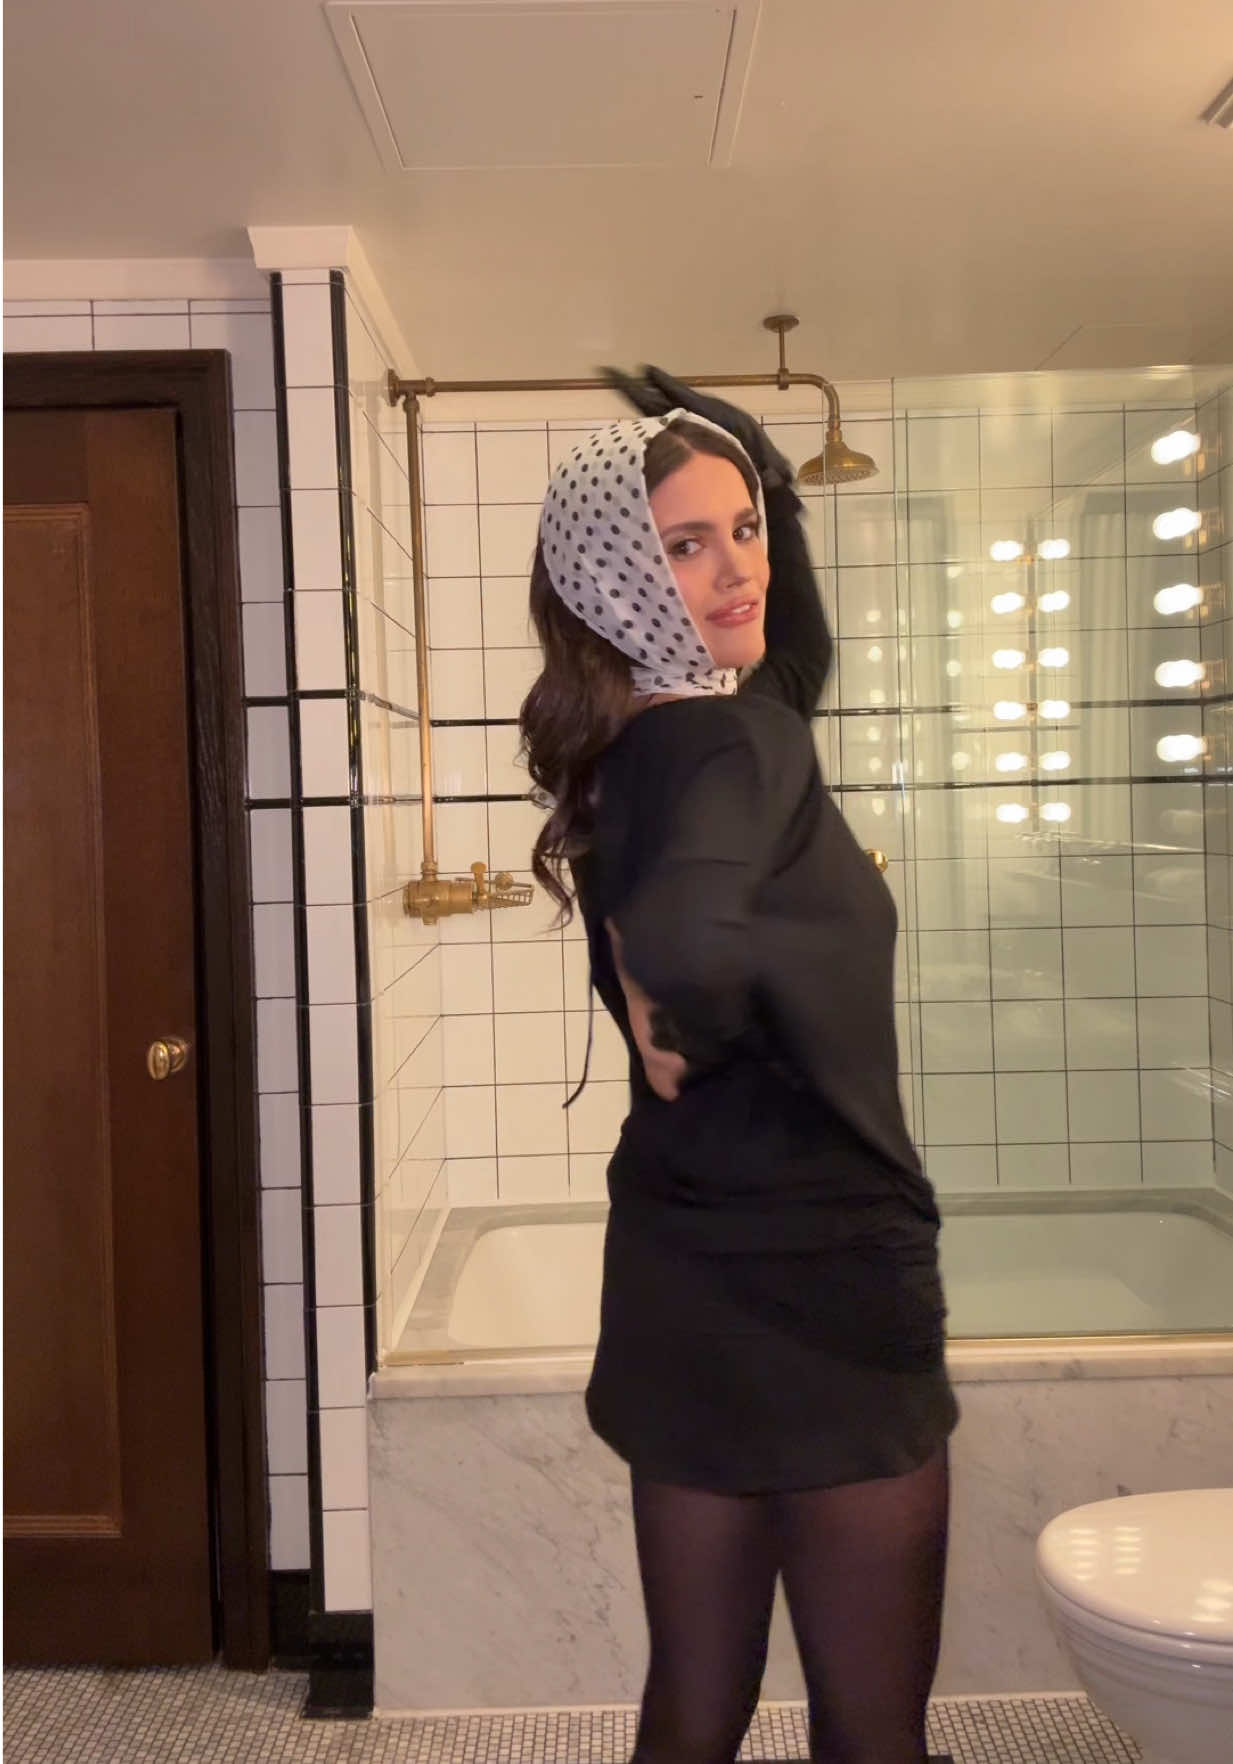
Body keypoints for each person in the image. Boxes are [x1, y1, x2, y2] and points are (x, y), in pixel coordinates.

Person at [518, 369, 958, 1764]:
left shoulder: (637, 744)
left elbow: (794, 652)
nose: (739, 569)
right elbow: (693, 933)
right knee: (869, 1731)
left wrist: (757, 459)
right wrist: (684, 1016)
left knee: (694, 1705)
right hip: (828, 1280)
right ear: (613, 574)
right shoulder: (734, 739)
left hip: (682, 1270)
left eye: (746, 530)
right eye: (688, 544)